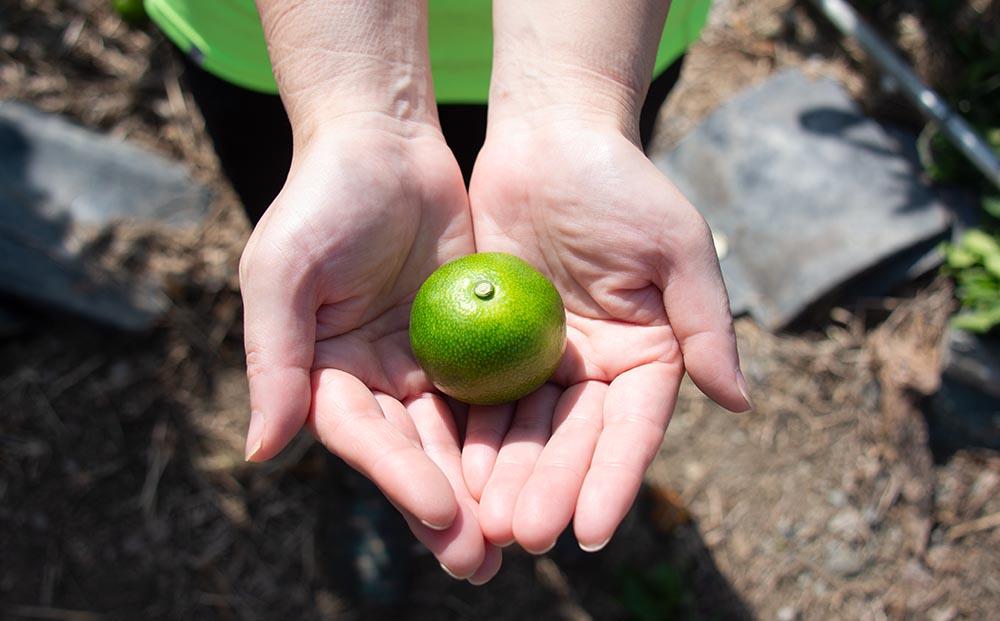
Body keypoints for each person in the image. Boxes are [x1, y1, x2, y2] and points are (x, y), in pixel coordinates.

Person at [144, 0, 753, 588]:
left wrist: (572, 110)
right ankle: (368, 471)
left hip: (601, 36)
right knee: (335, 289)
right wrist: (355, 118)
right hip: (292, 46)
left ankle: (546, 481)